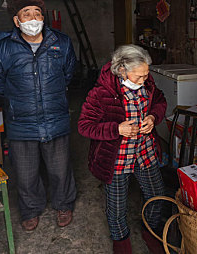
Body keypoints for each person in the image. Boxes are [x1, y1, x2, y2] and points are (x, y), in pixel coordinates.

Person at [0, 0, 77, 231]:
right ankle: (30, 209)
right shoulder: (3, 47)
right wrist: (20, 98)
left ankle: (63, 204)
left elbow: (68, 74)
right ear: (17, 21)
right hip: (21, 120)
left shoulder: (61, 42)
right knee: (26, 174)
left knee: (60, 169)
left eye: (37, 13)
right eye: (26, 13)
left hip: (55, 116)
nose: (33, 17)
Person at [78, 44, 167, 254]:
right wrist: (116, 128)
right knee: (117, 207)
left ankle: (150, 232)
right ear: (122, 71)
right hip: (116, 159)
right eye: (138, 77)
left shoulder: (148, 83)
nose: (144, 80)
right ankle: (121, 243)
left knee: (157, 195)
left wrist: (153, 117)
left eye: (146, 75)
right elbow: (84, 126)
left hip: (145, 152)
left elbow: (161, 100)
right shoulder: (101, 93)